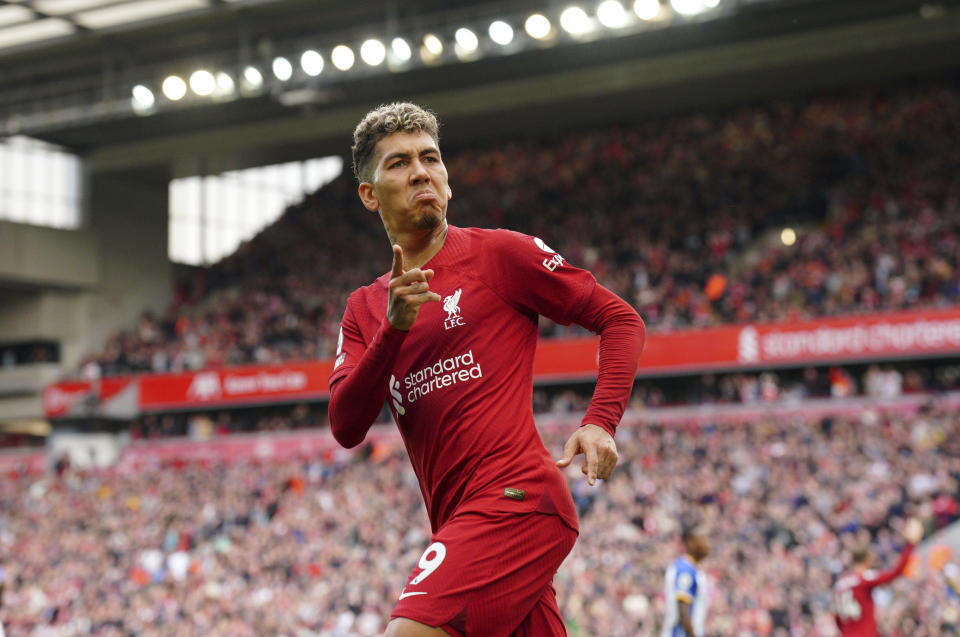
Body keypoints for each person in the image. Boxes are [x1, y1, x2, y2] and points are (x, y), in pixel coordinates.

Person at [327, 102, 645, 636]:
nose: (421, 171)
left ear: (448, 180)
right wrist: (394, 328)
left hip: (516, 499)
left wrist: (600, 421)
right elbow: (346, 427)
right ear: (369, 193)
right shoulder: (365, 307)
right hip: (461, 521)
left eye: (430, 158)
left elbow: (620, 319)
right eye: (400, 163)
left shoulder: (497, 255)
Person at [832, 518, 924, 636]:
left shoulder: (840, 583)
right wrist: (911, 544)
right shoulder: (863, 578)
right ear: (866, 558)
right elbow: (895, 573)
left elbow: (837, 618)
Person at [662, 522, 710, 637]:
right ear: (691, 542)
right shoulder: (685, 569)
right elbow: (683, 609)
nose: (708, 544)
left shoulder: (692, 568)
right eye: (703, 539)